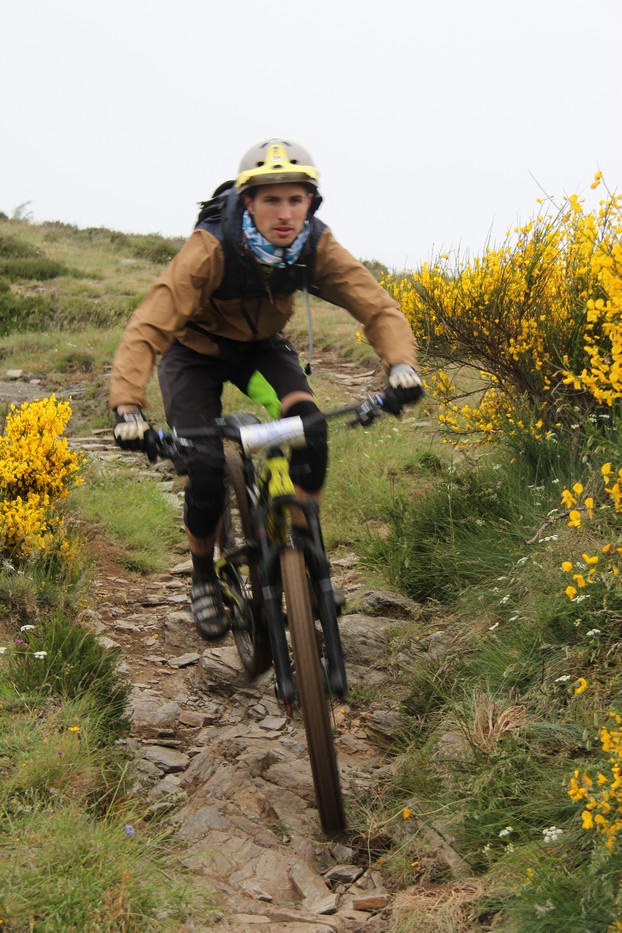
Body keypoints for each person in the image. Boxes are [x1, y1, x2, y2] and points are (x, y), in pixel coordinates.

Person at [111, 138, 422, 640]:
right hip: (194, 355)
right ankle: (203, 574)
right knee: (204, 470)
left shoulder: (315, 245)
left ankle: (304, 551)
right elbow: (149, 326)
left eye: (295, 199)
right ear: (248, 202)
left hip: (260, 350)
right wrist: (128, 406)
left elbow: (377, 306)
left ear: (310, 203)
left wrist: (401, 365)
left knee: (310, 428)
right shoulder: (211, 247)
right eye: (271, 199)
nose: (284, 213)